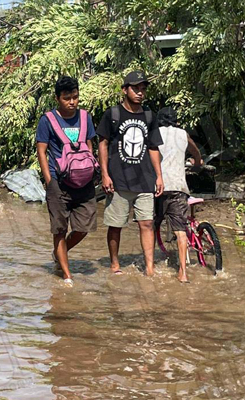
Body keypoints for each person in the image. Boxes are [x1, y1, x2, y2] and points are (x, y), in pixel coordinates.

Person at [97, 71, 164, 276]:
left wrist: (159, 176)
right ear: (125, 89)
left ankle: (150, 268)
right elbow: (103, 143)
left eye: (143, 89)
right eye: (135, 88)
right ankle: (115, 264)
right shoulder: (113, 114)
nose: (140, 93)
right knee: (116, 225)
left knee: (146, 223)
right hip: (119, 180)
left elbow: (153, 147)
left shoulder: (149, 116)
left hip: (145, 179)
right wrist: (105, 174)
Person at [36, 76, 98, 287]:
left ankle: (59, 252)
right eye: (67, 98)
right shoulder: (47, 120)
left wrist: (89, 168)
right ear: (57, 99)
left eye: (75, 97)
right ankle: (66, 274)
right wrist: (49, 179)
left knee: (85, 226)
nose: (72, 102)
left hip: (84, 182)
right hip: (58, 183)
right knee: (60, 229)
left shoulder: (85, 117)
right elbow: (42, 151)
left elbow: (89, 144)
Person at [155, 106, 202, 283]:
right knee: (181, 230)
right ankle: (183, 272)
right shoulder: (183, 134)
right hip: (179, 187)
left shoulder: (154, 134)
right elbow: (196, 152)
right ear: (176, 121)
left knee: (151, 225)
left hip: (158, 187)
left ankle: (150, 266)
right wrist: (197, 163)